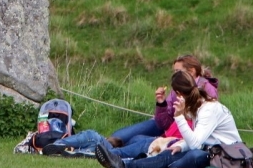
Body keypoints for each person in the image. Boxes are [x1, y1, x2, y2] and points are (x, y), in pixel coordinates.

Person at [42, 54, 217, 157]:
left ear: (192, 72)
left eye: (177, 72)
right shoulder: (178, 93)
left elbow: (192, 135)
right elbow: (165, 122)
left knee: (104, 140)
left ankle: (65, 147)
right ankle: (67, 147)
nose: (173, 78)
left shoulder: (203, 101)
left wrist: (177, 118)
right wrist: (161, 104)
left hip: (169, 138)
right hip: (165, 131)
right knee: (117, 139)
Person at [94, 69, 242, 168]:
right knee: (172, 151)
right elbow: (198, 139)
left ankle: (125, 165)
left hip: (224, 155)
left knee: (187, 156)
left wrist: (179, 117)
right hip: (208, 149)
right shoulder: (199, 105)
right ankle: (122, 162)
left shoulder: (209, 109)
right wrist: (181, 145)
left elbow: (196, 143)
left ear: (178, 93)